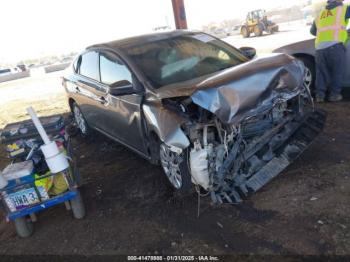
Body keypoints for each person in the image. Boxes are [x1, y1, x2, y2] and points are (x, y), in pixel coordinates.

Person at [310, 0, 350, 102]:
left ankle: (319, 96)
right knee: (337, 72)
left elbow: (313, 31)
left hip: (319, 48)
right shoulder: (344, 9)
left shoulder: (321, 13)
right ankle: (334, 95)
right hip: (335, 46)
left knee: (321, 73)